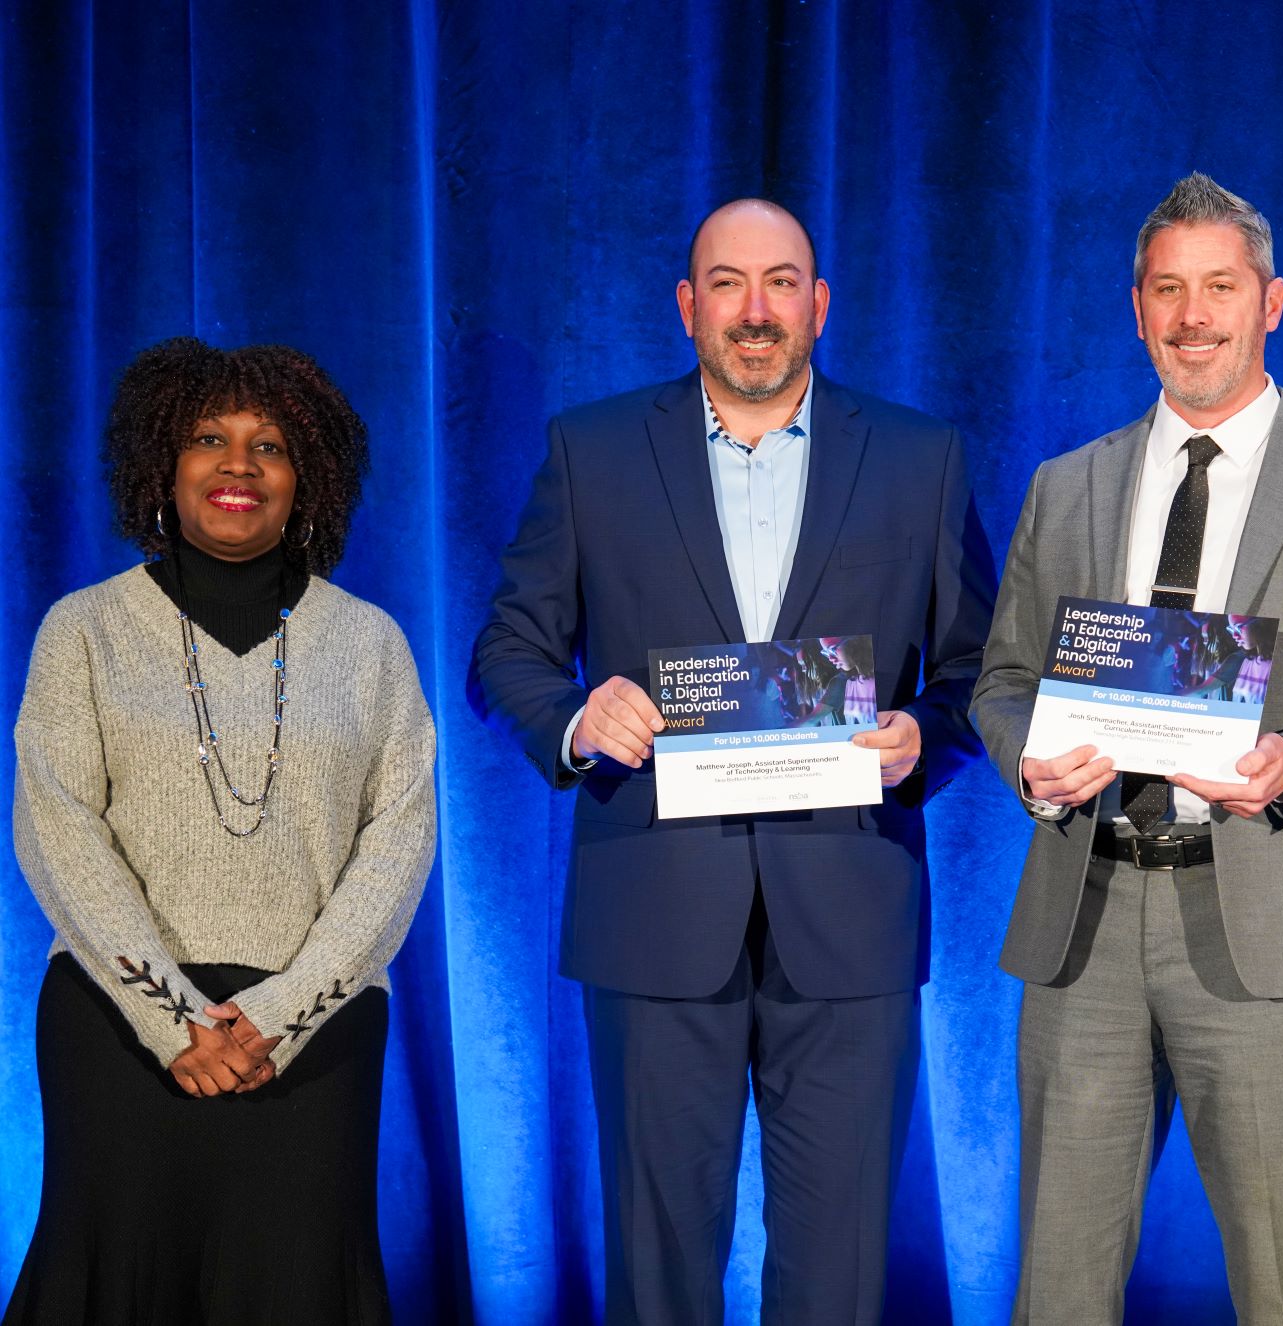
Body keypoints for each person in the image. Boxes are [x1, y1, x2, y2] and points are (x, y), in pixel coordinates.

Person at [468, 197, 994, 1325]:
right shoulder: (592, 450)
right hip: (652, 908)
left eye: (780, 282)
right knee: (657, 1268)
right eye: (725, 284)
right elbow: (506, 652)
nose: (754, 312)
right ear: (685, 305)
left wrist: (923, 737)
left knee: (841, 1267)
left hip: (848, 908)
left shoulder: (918, 458)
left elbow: (975, 671)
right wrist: (576, 713)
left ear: (819, 302)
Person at [971, 173, 1283, 1324]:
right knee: (1056, 1290)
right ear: (1135, 310)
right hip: (1086, 917)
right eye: (1166, 291)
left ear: (1270, 302)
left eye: (1217, 287)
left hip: (1272, 915)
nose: (1191, 317)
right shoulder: (1063, 484)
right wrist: (1027, 759)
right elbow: (1003, 681)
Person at [7, 338, 436, 1324]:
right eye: (210, 438)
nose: (237, 465)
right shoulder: (83, 630)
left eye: (271, 445)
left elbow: (400, 841)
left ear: (309, 478)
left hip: (314, 1044)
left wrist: (280, 1013)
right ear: (164, 463)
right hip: (120, 1033)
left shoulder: (371, 645)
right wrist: (174, 1023)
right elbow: (59, 829)